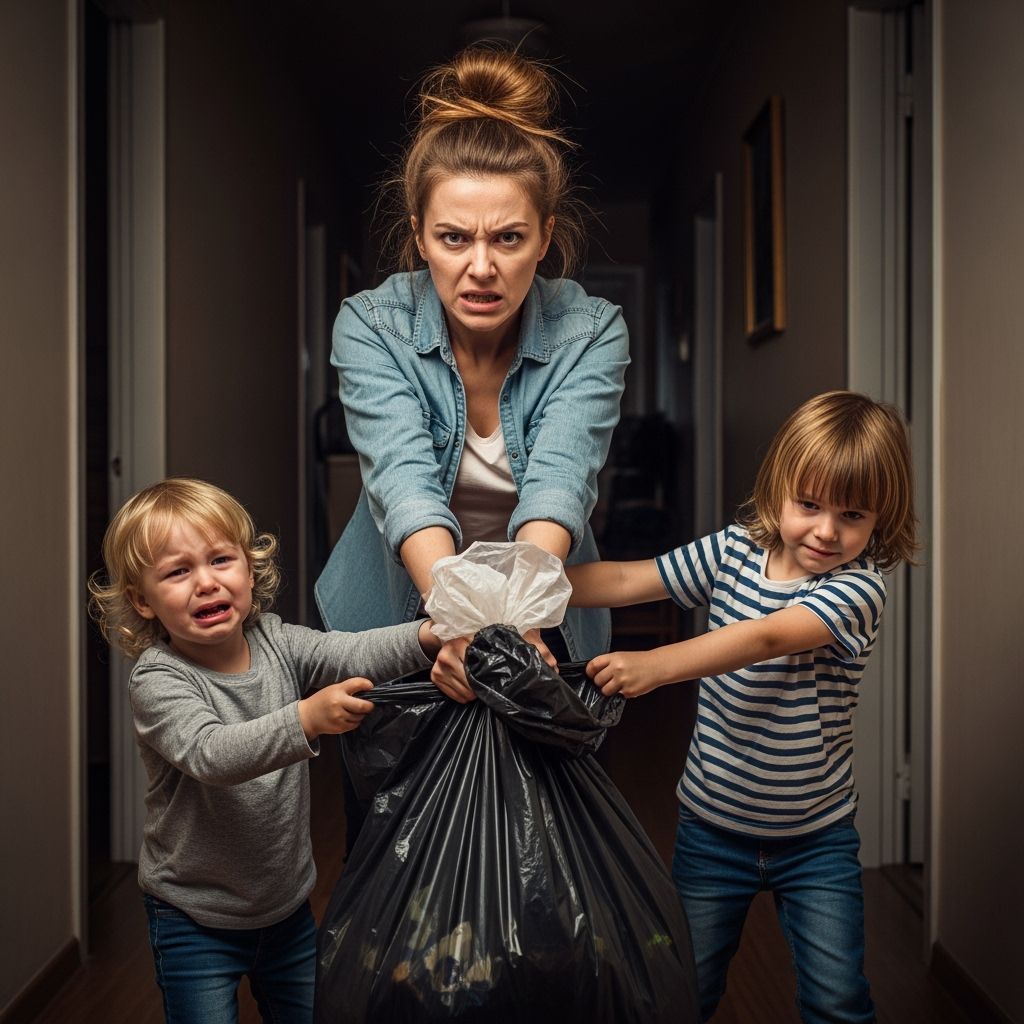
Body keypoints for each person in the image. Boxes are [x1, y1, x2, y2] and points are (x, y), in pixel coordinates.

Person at [567, 390, 919, 1024]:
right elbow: (627, 579)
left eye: (853, 515)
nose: (827, 531)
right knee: (685, 992)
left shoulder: (859, 588)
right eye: (809, 505)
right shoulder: (731, 552)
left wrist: (655, 666)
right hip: (711, 831)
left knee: (837, 1001)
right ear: (779, 488)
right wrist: (528, 583)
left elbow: (766, 636)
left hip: (817, 841)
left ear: (880, 519)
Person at [314, 44, 630, 703]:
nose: (481, 266)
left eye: (508, 238)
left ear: (544, 239)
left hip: (547, 622)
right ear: (420, 236)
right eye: (455, 237)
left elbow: (560, 485)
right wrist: (459, 622)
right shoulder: (372, 325)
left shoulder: (591, 329)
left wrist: (515, 625)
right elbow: (404, 486)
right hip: (392, 624)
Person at [87, 477, 442, 1024]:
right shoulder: (158, 680)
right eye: (178, 572)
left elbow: (346, 651)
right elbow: (212, 753)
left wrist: (427, 637)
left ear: (249, 571)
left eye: (221, 560)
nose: (206, 583)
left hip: (286, 910)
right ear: (142, 600)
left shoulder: (276, 641)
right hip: (193, 918)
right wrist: (306, 718)